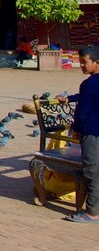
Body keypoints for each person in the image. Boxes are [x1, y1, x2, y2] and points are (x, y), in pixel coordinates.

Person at [56, 46, 99, 223]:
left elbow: (82, 111)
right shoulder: (91, 84)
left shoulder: (89, 84)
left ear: (96, 63)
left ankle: (92, 212)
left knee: (92, 169)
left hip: (92, 131)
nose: (81, 65)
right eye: (80, 61)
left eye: (84, 62)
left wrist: (76, 130)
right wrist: (70, 98)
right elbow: (87, 98)